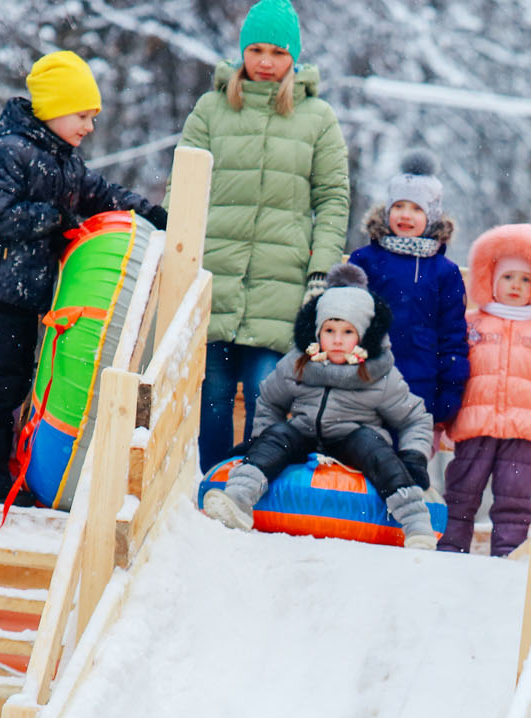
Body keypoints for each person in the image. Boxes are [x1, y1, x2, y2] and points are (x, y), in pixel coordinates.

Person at [0, 50, 166, 504]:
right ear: (52, 109)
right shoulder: (9, 153)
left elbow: (102, 194)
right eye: (82, 115)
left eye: (92, 116)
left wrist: (151, 213)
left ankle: (1, 472)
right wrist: (55, 218)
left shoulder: (63, 160)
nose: (89, 126)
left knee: (17, 387)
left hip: (27, 297)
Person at [177, 0, 351, 471]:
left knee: (266, 394)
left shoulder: (317, 118)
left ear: (294, 56)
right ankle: (208, 484)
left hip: (281, 285)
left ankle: (252, 488)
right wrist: (184, 257)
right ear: (241, 52)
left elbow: (333, 198)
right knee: (210, 395)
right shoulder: (212, 110)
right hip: (215, 278)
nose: (266, 62)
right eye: (256, 49)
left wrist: (320, 273)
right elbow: (184, 185)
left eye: (277, 51)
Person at [201, 263, 438, 549]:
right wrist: (260, 437)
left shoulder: (379, 374)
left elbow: (415, 418)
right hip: (304, 432)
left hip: (354, 436)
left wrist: (414, 457)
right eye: (330, 330)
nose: (337, 340)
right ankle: (238, 499)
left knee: (377, 449)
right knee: (279, 435)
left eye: (347, 332)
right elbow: (270, 400)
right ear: (317, 332)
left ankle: (416, 523)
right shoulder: (298, 363)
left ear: (362, 336)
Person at [439, 224, 531, 557]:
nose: (516, 285)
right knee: (461, 492)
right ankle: (451, 548)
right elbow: (450, 369)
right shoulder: (472, 323)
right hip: (475, 425)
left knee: (514, 497)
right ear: (492, 281)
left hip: (525, 433)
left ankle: (507, 551)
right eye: (508, 277)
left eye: (525, 279)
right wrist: (440, 419)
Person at [348, 149, 470, 433]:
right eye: (399, 206)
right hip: (365, 379)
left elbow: (452, 336)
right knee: (359, 455)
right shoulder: (365, 260)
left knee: (405, 462)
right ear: (387, 210)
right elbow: (343, 317)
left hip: (418, 384)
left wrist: (450, 390)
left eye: (417, 209)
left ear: (432, 216)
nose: (406, 215)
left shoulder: (444, 272)